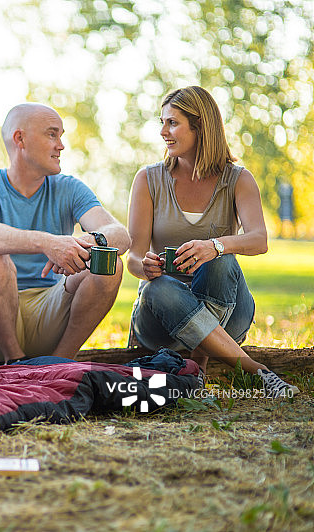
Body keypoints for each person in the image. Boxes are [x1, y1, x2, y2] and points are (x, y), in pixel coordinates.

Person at [127, 85, 298, 398]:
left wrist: (215, 246)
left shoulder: (238, 179)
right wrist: (144, 266)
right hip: (162, 319)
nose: (162, 131)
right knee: (157, 287)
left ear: (200, 126)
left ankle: (199, 363)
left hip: (228, 313)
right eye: (162, 122)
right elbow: (134, 257)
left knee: (221, 260)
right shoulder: (148, 179)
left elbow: (259, 240)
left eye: (172, 123)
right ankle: (259, 372)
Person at [0, 103, 130, 364]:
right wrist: (46, 242)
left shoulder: (69, 188)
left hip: (50, 312)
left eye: (61, 136)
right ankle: (14, 361)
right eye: (52, 134)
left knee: (109, 263)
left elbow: (120, 235)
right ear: (21, 139)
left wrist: (83, 242)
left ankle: (59, 363)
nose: (61, 145)